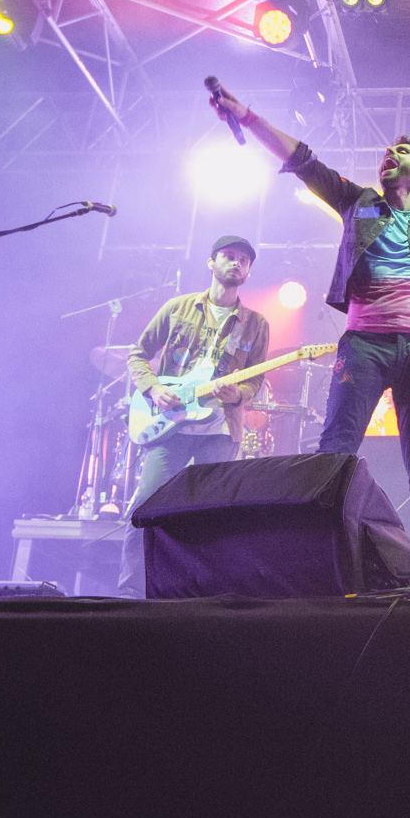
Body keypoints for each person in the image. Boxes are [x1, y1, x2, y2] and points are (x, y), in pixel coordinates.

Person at [206, 86, 410, 573]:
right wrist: (247, 117)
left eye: (403, 151)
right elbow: (305, 162)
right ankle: (321, 558)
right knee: (336, 450)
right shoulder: (360, 204)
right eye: (388, 151)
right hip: (364, 346)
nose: (390, 154)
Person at [117, 234, 272, 597]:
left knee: (211, 516)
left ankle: (201, 597)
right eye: (229, 257)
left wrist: (240, 395)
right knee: (145, 508)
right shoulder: (177, 308)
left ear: (249, 271)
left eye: (244, 260)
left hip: (219, 432)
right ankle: (128, 595)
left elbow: (257, 377)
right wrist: (154, 388)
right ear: (211, 263)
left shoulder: (256, 323)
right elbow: (137, 354)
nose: (237, 263)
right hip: (169, 428)